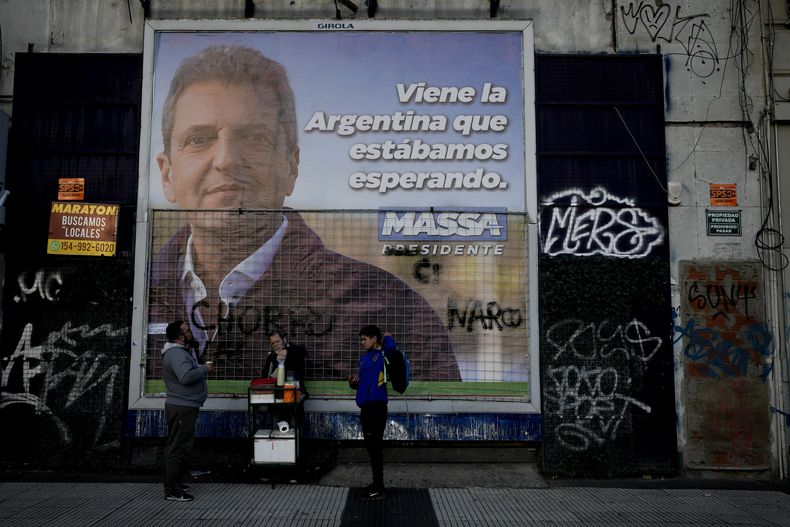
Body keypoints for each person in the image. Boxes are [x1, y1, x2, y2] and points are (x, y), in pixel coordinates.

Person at [146, 44, 459, 385]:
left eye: (255, 138)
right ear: (167, 175)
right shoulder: (137, 296)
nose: (226, 160)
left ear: (291, 167)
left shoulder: (394, 312)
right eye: (198, 139)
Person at [161, 320, 215, 501]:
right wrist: (205, 368)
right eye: (187, 330)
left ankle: (174, 483)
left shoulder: (177, 352)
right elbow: (185, 377)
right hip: (182, 407)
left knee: (178, 446)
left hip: (183, 406)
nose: (190, 331)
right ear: (180, 336)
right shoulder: (176, 354)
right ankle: (172, 490)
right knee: (179, 448)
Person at [348, 325, 396, 500]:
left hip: (376, 407)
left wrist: (387, 337)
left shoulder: (382, 355)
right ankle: (376, 483)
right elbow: (364, 384)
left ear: (374, 339)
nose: (362, 342)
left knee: (375, 449)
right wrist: (354, 383)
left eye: (364, 339)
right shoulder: (364, 359)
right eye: (360, 339)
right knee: (371, 448)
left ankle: (378, 486)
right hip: (366, 408)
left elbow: (392, 351)